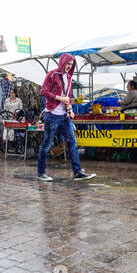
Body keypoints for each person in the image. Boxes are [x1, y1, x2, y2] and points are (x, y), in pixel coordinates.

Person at [37, 53, 96, 182]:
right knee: (47, 144)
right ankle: (41, 172)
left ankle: (77, 172)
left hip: (64, 116)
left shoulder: (69, 78)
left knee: (72, 142)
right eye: (67, 63)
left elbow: (67, 96)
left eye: (71, 64)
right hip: (51, 114)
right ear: (62, 62)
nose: (69, 66)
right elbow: (44, 91)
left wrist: (69, 109)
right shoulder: (52, 74)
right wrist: (60, 98)